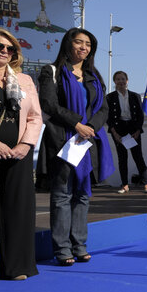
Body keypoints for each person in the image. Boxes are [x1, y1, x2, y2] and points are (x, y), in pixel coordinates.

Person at [38, 27, 114, 267]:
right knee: (62, 195)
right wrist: (77, 124)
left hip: (88, 140)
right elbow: (48, 104)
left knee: (82, 195)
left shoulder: (94, 75)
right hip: (64, 139)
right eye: (79, 42)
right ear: (68, 44)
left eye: (88, 44)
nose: (84, 47)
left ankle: (79, 245)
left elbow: (103, 108)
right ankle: (62, 249)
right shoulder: (52, 71)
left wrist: (89, 126)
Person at [0, 27, 41, 288]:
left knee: (19, 208)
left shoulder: (24, 80)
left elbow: (35, 117)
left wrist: (26, 144)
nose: (4, 51)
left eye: (10, 48)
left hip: (19, 152)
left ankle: (17, 265)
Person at [107, 70, 147, 194]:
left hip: (133, 129)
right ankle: (125, 185)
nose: (120, 81)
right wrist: (114, 133)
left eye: (123, 79)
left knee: (138, 157)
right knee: (122, 159)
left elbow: (140, 115)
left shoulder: (135, 96)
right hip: (119, 129)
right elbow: (109, 117)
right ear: (114, 81)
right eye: (118, 79)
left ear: (127, 81)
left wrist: (138, 130)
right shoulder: (110, 97)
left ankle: (146, 184)